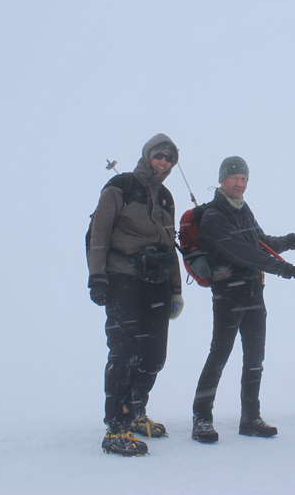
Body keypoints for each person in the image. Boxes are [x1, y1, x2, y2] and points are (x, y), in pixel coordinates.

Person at [191, 156, 295, 443]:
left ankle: (250, 418)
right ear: (222, 180)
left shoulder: (242, 209)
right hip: (228, 294)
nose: (240, 183)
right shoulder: (214, 216)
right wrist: (288, 270)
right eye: (235, 178)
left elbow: (261, 243)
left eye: (244, 178)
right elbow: (245, 254)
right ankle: (202, 418)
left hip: (253, 292)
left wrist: (294, 240)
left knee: (254, 358)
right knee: (219, 355)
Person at [87, 133, 185, 456]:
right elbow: (99, 231)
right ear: (147, 155)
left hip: (156, 283)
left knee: (155, 354)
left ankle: (136, 410)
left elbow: (170, 246)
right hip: (122, 279)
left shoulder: (167, 198)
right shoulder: (121, 187)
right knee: (124, 351)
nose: (164, 163)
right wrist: (97, 277)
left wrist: (175, 290)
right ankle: (115, 426)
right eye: (159, 156)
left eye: (169, 159)